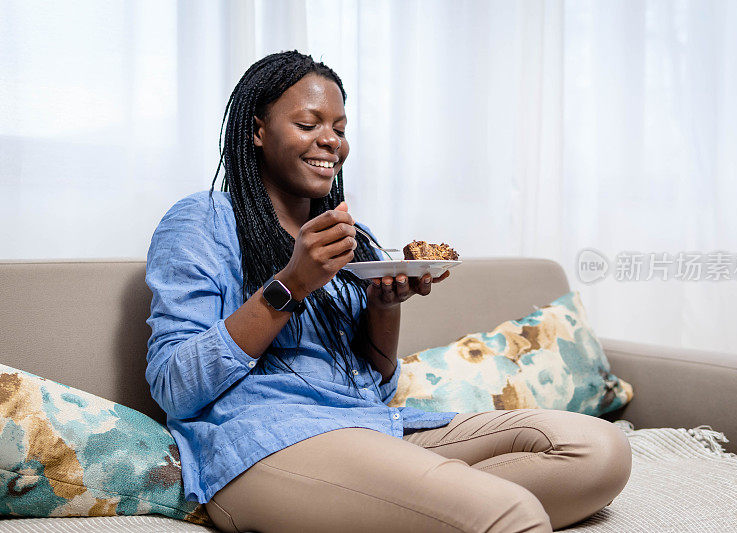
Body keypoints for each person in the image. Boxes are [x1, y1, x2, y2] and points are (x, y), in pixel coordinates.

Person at [145, 50, 632, 533]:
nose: (330, 141)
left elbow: (375, 384)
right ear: (257, 131)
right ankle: (443, 506)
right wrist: (291, 284)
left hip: (373, 428)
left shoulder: (351, 238)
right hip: (264, 443)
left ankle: (414, 508)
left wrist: (384, 307)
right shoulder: (202, 221)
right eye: (310, 124)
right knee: (511, 512)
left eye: (339, 128)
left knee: (599, 451)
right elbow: (174, 387)